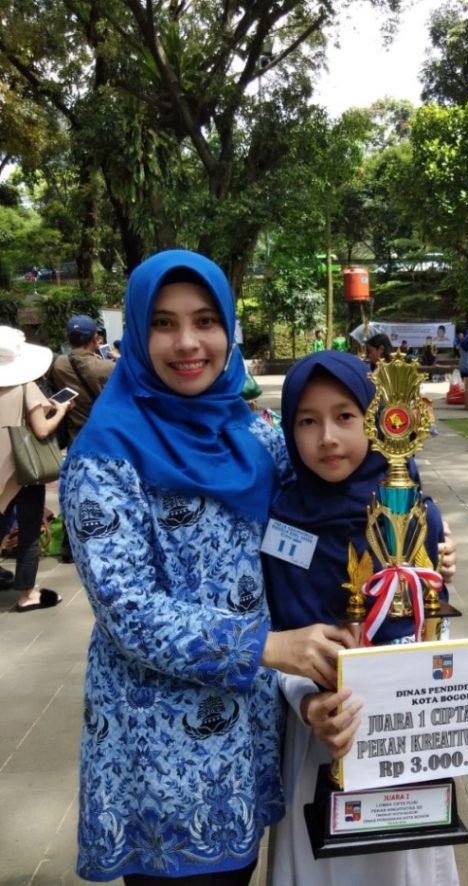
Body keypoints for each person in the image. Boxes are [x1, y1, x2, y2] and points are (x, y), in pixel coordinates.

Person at [59, 249, 354, 884]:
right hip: (160, 753)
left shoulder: (256, 435)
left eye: (205, 321)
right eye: (164, 323)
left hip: (248, 739)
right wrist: (270, 647)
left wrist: (419, 540)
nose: (188, 342)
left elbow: (331, 506)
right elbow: (128, 612)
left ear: (229, 331)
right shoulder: (104, 455)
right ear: (136, 334)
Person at [263, 350, 459, 886]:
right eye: (307, 420)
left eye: (345, 416)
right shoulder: (282, 521)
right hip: (321, 730)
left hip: (407, 729)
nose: (327, 437)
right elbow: (276, 635)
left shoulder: (413, 510)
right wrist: (309, 701)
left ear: (377, 421)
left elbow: (434, 622)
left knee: (405, 862)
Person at [0, 326, 70, 610]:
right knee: (29, 530)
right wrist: (61, 411)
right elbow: (41, 430)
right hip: (21, 468)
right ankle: (27, 593)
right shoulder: (25, 385)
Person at [50, 314, 116, 444]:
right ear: (95, 338)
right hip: (104, 438)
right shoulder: (109, 367)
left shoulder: (58, 364)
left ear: (67, 338)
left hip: (75, 439)